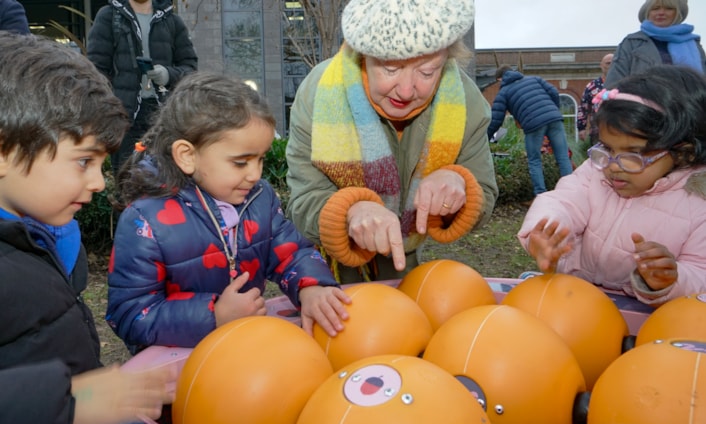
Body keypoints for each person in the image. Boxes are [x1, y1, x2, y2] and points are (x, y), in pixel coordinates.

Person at [0, 32, 172, 424]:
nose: (99, 182)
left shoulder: (47, 235)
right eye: (83, 161)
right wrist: (70, 403)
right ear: (4, 151)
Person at [107, 72, 351, 352]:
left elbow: (292, 253)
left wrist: (311, 287)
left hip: (243, 353)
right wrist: (214, 316)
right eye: (240, 163)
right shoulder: (146, 221)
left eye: (260, 159)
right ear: (187, 155)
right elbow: (129, 314)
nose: (255, 174)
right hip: (183, 372)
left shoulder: (260, 198)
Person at [285, 0, 498, 284]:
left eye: (427, 72)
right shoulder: (318, 94)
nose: (407, 91)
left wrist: (460, 185)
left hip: (403, 265)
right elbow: (302, 201)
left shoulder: (465, 102)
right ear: (364, 56)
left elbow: (484, 193)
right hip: (324, 268)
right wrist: (349, 212)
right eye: (390, 68)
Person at [518, 65, 706, 306]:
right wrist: (544, 232)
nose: (613, 165)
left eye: (633, 154)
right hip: (574, 299)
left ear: (684, 154)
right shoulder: (596, 173)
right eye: (607, 148)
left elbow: (700, 273)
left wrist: (669, 279)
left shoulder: (698, 204)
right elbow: (561, 201)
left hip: (646, 321)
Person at [87, 0, 198, 187]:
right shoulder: (109, 16)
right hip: (123, 117)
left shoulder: (171, 20)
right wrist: (107, 110)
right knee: (127, 184)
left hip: (163, 118)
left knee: (167, 183)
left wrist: (167, 74)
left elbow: (190, 68)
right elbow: (96, 72)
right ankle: (129, 216)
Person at [486, 65, 574, 198]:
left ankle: (541, 195)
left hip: (533, 125)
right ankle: (570, 192)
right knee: (562, 156)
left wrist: (486, 137)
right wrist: (553, 110)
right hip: (554, 119)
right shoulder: (534, 79)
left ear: (499, 79)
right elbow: (554, 92)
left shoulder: (504, 92)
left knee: (534, 160)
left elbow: (496, 119)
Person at [606, 0, 705, 88]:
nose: (661, 12)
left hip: (687, 106)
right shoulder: (632, 42)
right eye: (655, 8)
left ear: (677, 13)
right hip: (643, 107)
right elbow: (614, 83)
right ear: (648, 12)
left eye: (668, 8)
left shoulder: (694, 44)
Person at [577, 53, 613, 144]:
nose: (611, 66)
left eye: (613, 63)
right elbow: (583, 107)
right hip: (597, 132)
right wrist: (581, 128)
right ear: (601, 65)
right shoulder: (592, 86)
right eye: (608, 63)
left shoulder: (623, 84)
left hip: (620, 130)